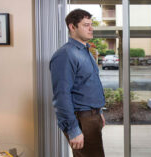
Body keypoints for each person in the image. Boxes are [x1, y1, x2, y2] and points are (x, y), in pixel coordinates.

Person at [50, 9, 105, 157]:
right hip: (81, 120)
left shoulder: (85, 51)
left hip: (92, 117)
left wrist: (99, 112)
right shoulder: (66, 54)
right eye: (86, 25)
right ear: (72, 27)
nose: (91, 28)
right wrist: (73, 129)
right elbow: (61, 95)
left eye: (91, 25)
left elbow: (88, 86)